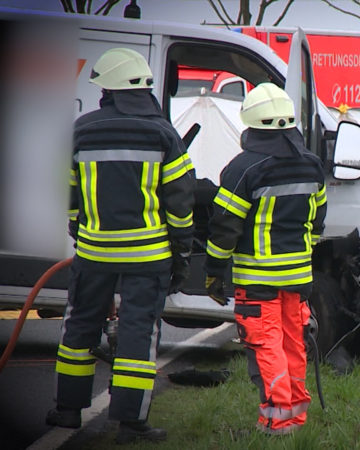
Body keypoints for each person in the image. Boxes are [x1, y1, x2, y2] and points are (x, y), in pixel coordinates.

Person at [47, 48, 195, 444]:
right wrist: (180, 249)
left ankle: (67, 410)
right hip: (147, 256)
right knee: (137, 334)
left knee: (79, 325)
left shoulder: (80, 130)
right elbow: (181, 201)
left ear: (108, 91)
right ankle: (130, 422)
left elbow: (67, 192)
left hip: (94, 253)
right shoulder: (164, 134)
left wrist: (80, 228)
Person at [203, 82, 326, 435]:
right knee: (292, 344)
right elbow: (317, 222)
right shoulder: (312, 166)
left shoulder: (243, 169)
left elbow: (224, 228)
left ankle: (276, 421)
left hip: (258, 280)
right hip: (297, 278)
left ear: (251, 125)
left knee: (265, 345)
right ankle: (296, 417)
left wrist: (213, 271)